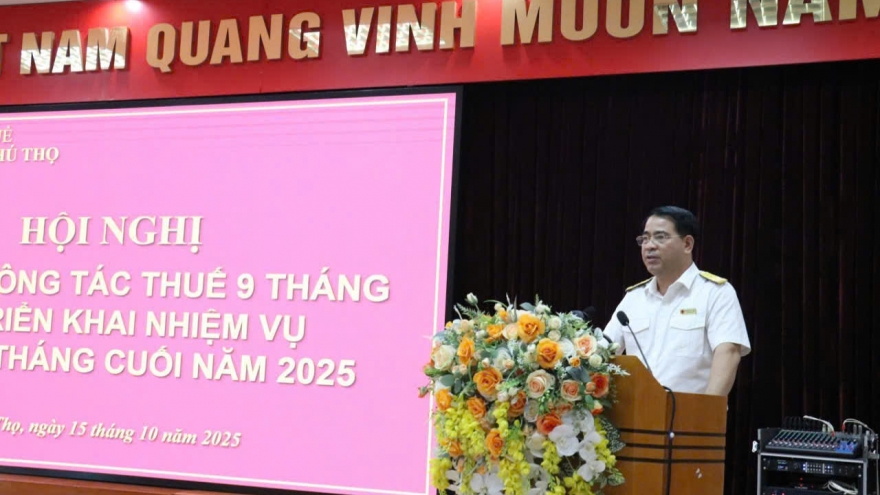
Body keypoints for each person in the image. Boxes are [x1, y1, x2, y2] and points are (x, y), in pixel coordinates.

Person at [601, 206, 751, 396]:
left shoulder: (715, 292)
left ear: (687, 244)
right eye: (645, 239)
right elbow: (603, 352)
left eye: (660, 237)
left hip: (691, 413)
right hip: (637, 412)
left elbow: (728, 353)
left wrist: (707, 409)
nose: (649, 246)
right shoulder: (634, 298)